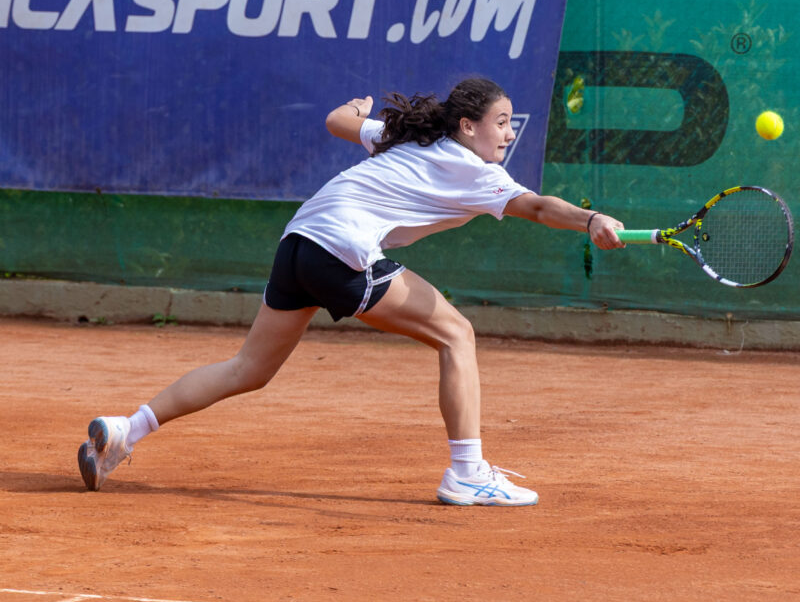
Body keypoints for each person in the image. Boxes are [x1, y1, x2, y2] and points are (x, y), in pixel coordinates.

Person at [78, 77, 624, 506]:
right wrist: (592, 217)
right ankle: (466, 474)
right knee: (457, 335)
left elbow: (339, 121)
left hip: (300, 240)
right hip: (341, 247)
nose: (508, 133)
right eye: (501, 123)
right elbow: (537, 206)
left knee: (250, 368)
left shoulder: (411, 139)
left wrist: (361, 114)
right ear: (466, 126)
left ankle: (125, 431)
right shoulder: (475, 172)